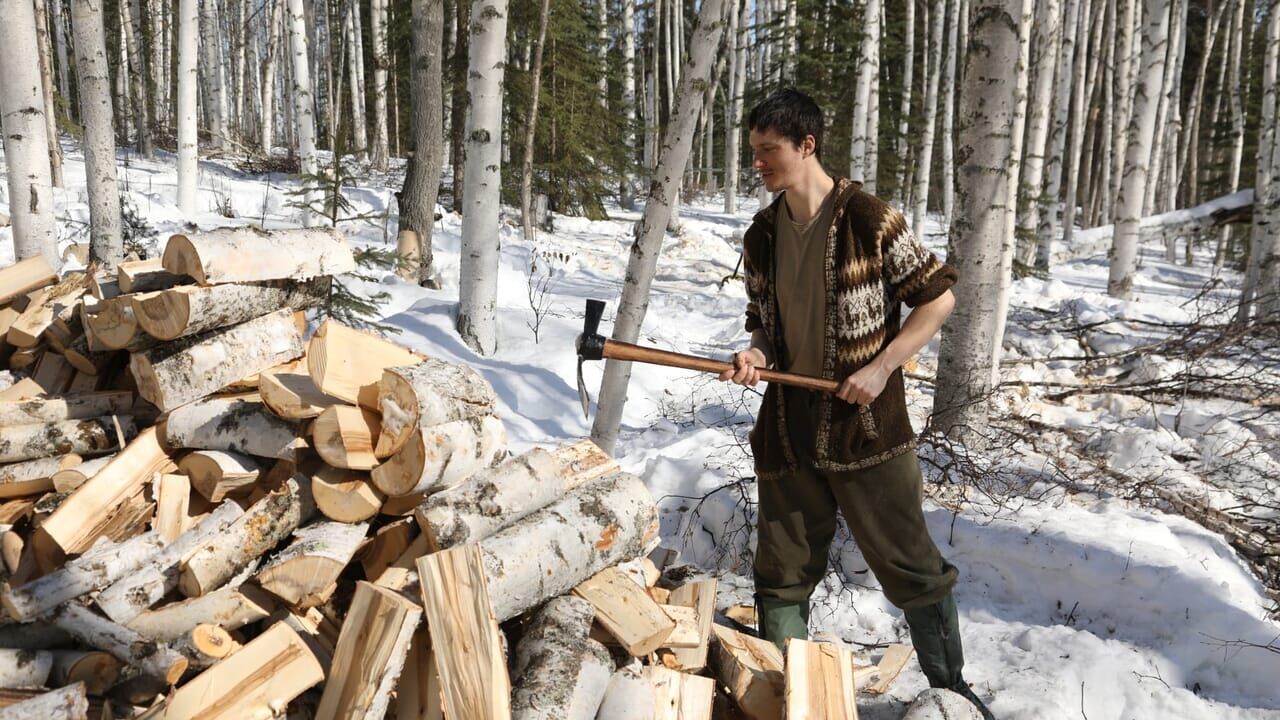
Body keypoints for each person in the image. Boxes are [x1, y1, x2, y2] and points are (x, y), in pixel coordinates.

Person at [719, 87, 994, 719]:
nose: (757, 163)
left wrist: (881, 366)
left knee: (911, 565)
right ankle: (785, 698)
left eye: (768, 150)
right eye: (754, 150)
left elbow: (938, 299)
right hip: (788, 424)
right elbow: (762, 323)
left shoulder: (869, 219)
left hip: (867, 426)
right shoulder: (762, 234)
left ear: (807, 145)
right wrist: (756, 355)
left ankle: (951, 693)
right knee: (782, 571)